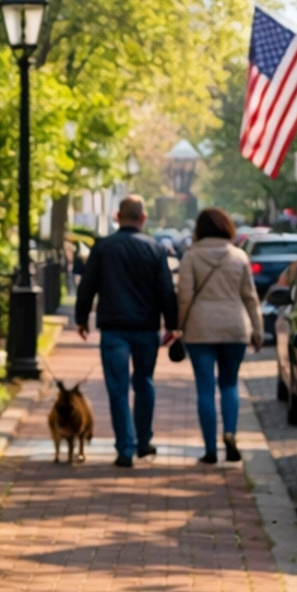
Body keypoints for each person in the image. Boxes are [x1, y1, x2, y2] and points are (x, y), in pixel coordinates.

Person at [74, 195, 179, 467]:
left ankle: (125, 448)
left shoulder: (103, 248)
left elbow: (87, 285)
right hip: (146, 327)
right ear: (143, 219)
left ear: (117, 217)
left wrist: (82, 317)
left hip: (114, 327)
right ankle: (143, 441)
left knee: (117, 389)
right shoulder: (155, 249)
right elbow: (166, 290)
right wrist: (172, 323)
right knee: (144, 382)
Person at [176, 206, 262, 465]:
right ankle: (230, 433)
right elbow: (250, 296)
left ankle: (210, 449)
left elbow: (184, 296)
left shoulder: (191, 257)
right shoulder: (239, 257)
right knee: (230, 384)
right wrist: (257, 329)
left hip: (200, 329)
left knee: (204, 389)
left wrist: (179, 327)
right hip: (234, 328)